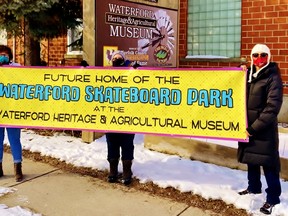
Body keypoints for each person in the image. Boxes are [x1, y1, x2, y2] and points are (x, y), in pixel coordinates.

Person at [237, 44, 283, 215]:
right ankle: (253, 187)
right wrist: (238, 71)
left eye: (263, 55)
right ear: (251, 57)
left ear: (268, 57)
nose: (259, 58)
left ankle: (273, 198)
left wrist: (253, 129)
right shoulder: (248, 73)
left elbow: (273, 107)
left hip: (263, 130)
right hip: (248, 126)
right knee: (252, 159)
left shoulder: (273, 76)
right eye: (255, 55)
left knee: (269, 164)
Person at [105, 51, 135, 185]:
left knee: (127, 144)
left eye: (119, 58)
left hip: (127, 117)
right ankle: (113, 170)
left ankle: (127, 171)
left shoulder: (132, 74)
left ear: (124, 60)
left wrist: (138, 72)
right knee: (112, 143)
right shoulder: (106, 75)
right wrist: (85, 70)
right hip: (111, 116)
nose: (116, 60)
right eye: (114, 58)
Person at [0, 45, 23, 182]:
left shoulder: (17, 67)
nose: (3, 56)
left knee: (14, 140)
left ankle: (17, 167)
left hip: (13, 110)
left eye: (5, 54)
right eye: (0, 54)